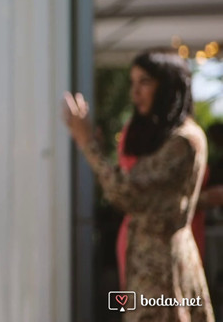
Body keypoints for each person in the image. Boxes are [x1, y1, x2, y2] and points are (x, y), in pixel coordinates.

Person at [64, 47, 214, 322]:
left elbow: (127, 191)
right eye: (133, 83)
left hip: (162, 275)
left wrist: (86, 144)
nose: (135, 93)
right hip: (149, 269)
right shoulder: (173, 139)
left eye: (144, 82)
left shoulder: (184, 141)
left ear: (167, 85)